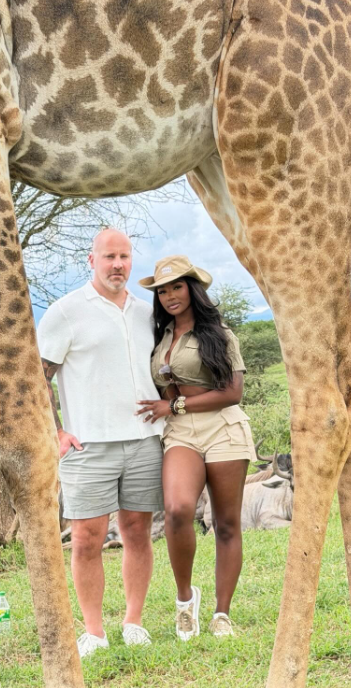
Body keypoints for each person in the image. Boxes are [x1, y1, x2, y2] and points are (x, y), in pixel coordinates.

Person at [37, 228, 164, 658]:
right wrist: (53, 431)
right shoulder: (65, 312)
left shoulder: (147, 313)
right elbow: (36, 377)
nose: (118, 265)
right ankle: (93, 631)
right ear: (91, 260)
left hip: (146, 441)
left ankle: (134, 621)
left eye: (125, 256)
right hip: (88, 446)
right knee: (87, 539)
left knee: (137, 534)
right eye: (109, 256)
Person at [137, 256, 256, 640]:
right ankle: (186, 601)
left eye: (176, 286)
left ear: (192, 289)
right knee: (177, 510)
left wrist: (172, 404)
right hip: (181, 433)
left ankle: (222, 614)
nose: (170, 295)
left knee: (225, 524)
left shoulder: (218, 333)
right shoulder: (162, 335)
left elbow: (233, 392)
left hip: (223, 428)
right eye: (163, 290)